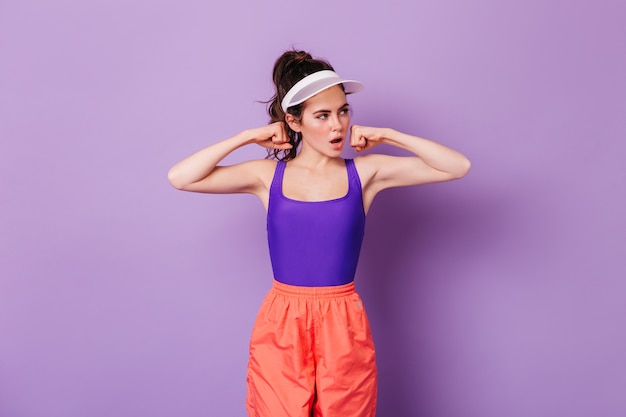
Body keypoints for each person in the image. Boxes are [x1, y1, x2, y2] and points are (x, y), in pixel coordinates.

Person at [168, 50, 471, 417]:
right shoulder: (267, 178)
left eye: (343, 111)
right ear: (294, 122)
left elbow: (457, 166)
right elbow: (181, 177)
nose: (337, 126)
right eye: (322, 115)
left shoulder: (366, 173)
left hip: (343, 324)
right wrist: (248, 137)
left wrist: (389, 135)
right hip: (282, 324)